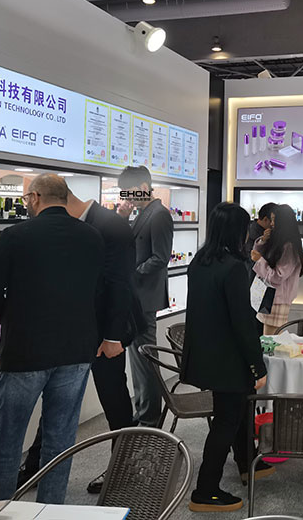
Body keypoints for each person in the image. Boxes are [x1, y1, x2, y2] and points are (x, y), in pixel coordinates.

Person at [0, 174, 104, 504]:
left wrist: (8, 316)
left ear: (34, 198)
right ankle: (50, 509)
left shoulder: (16, 235)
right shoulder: (91, 236)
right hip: (76, 350)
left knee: (7, 440)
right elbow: (98, 291)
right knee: (60, 441)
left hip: (25, 350)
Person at [18, 188, 144, 494]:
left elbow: (121, 284)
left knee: (114, 400)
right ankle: (36, 465)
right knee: (56, 398)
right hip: (71, 329)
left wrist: (112, 335)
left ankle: (123, 468)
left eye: (28, 200)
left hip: (105, 334)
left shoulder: (110, 225)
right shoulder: (65, 225)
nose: (30, 208)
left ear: (41, 197)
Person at [181, 203, 273, 512]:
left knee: (237, 412)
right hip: (229, 359)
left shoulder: (200, 261)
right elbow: (242, 323)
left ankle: (247, 462)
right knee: (226, 421)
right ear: (238, 231)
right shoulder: (233, 267)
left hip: (206, 355)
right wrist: (257, 365)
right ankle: (205, 490)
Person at [117, 165, 174, 427]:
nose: (126, 197)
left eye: (128, 192)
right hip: (137, 296)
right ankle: (144, 411)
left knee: (145, 360)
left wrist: (132, 272)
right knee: (139, 360)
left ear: (142, 187)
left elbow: (160, 258)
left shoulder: (159, 214)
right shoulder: (143, 213)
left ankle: (150, 417)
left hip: (145, 297)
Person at [251, 203, 303, 335]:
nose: (271, 224)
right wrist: (263, 241)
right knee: (269, 338)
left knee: (270, 340)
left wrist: (259, 260)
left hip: (277, 300)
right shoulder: (280, 243)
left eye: (274, 220)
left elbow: (277, 276)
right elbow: (259, 255)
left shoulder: (289, 247)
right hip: (270, 297)